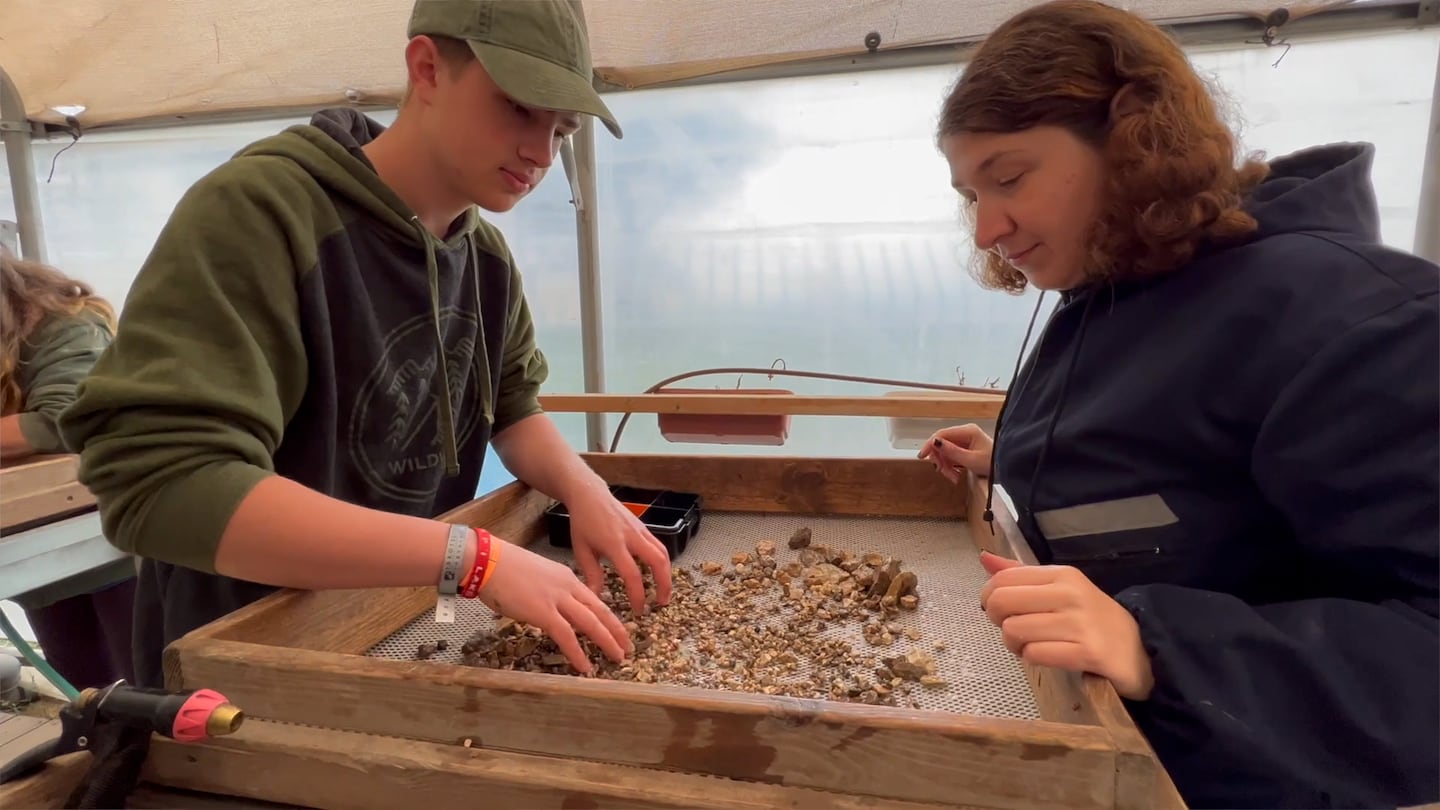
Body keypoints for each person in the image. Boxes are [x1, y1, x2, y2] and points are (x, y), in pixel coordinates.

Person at [57, 0, 672, 690]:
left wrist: (585, 488)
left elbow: (513, 406)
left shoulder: (486, 257)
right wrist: (473, 558)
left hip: (399, 627)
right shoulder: (262, 211)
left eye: (562, 130)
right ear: (428, 68)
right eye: (520, 109)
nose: (541, 152)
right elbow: (162, 487)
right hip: (242, 659)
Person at [916, 2, 1439, 808]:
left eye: (1009, 177)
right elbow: (1179, 477)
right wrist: (1013, 456)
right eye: (970, 193)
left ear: (1131, 142)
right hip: (1109, 760)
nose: (986, 227)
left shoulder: (1354, 322)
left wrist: (1157, 645)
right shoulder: (1120, 283)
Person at [1, 249, 138, 690]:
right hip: (37, 545)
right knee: (84, 692)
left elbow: (62, 419)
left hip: (111, 537)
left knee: (150, 683)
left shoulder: (68, 325)